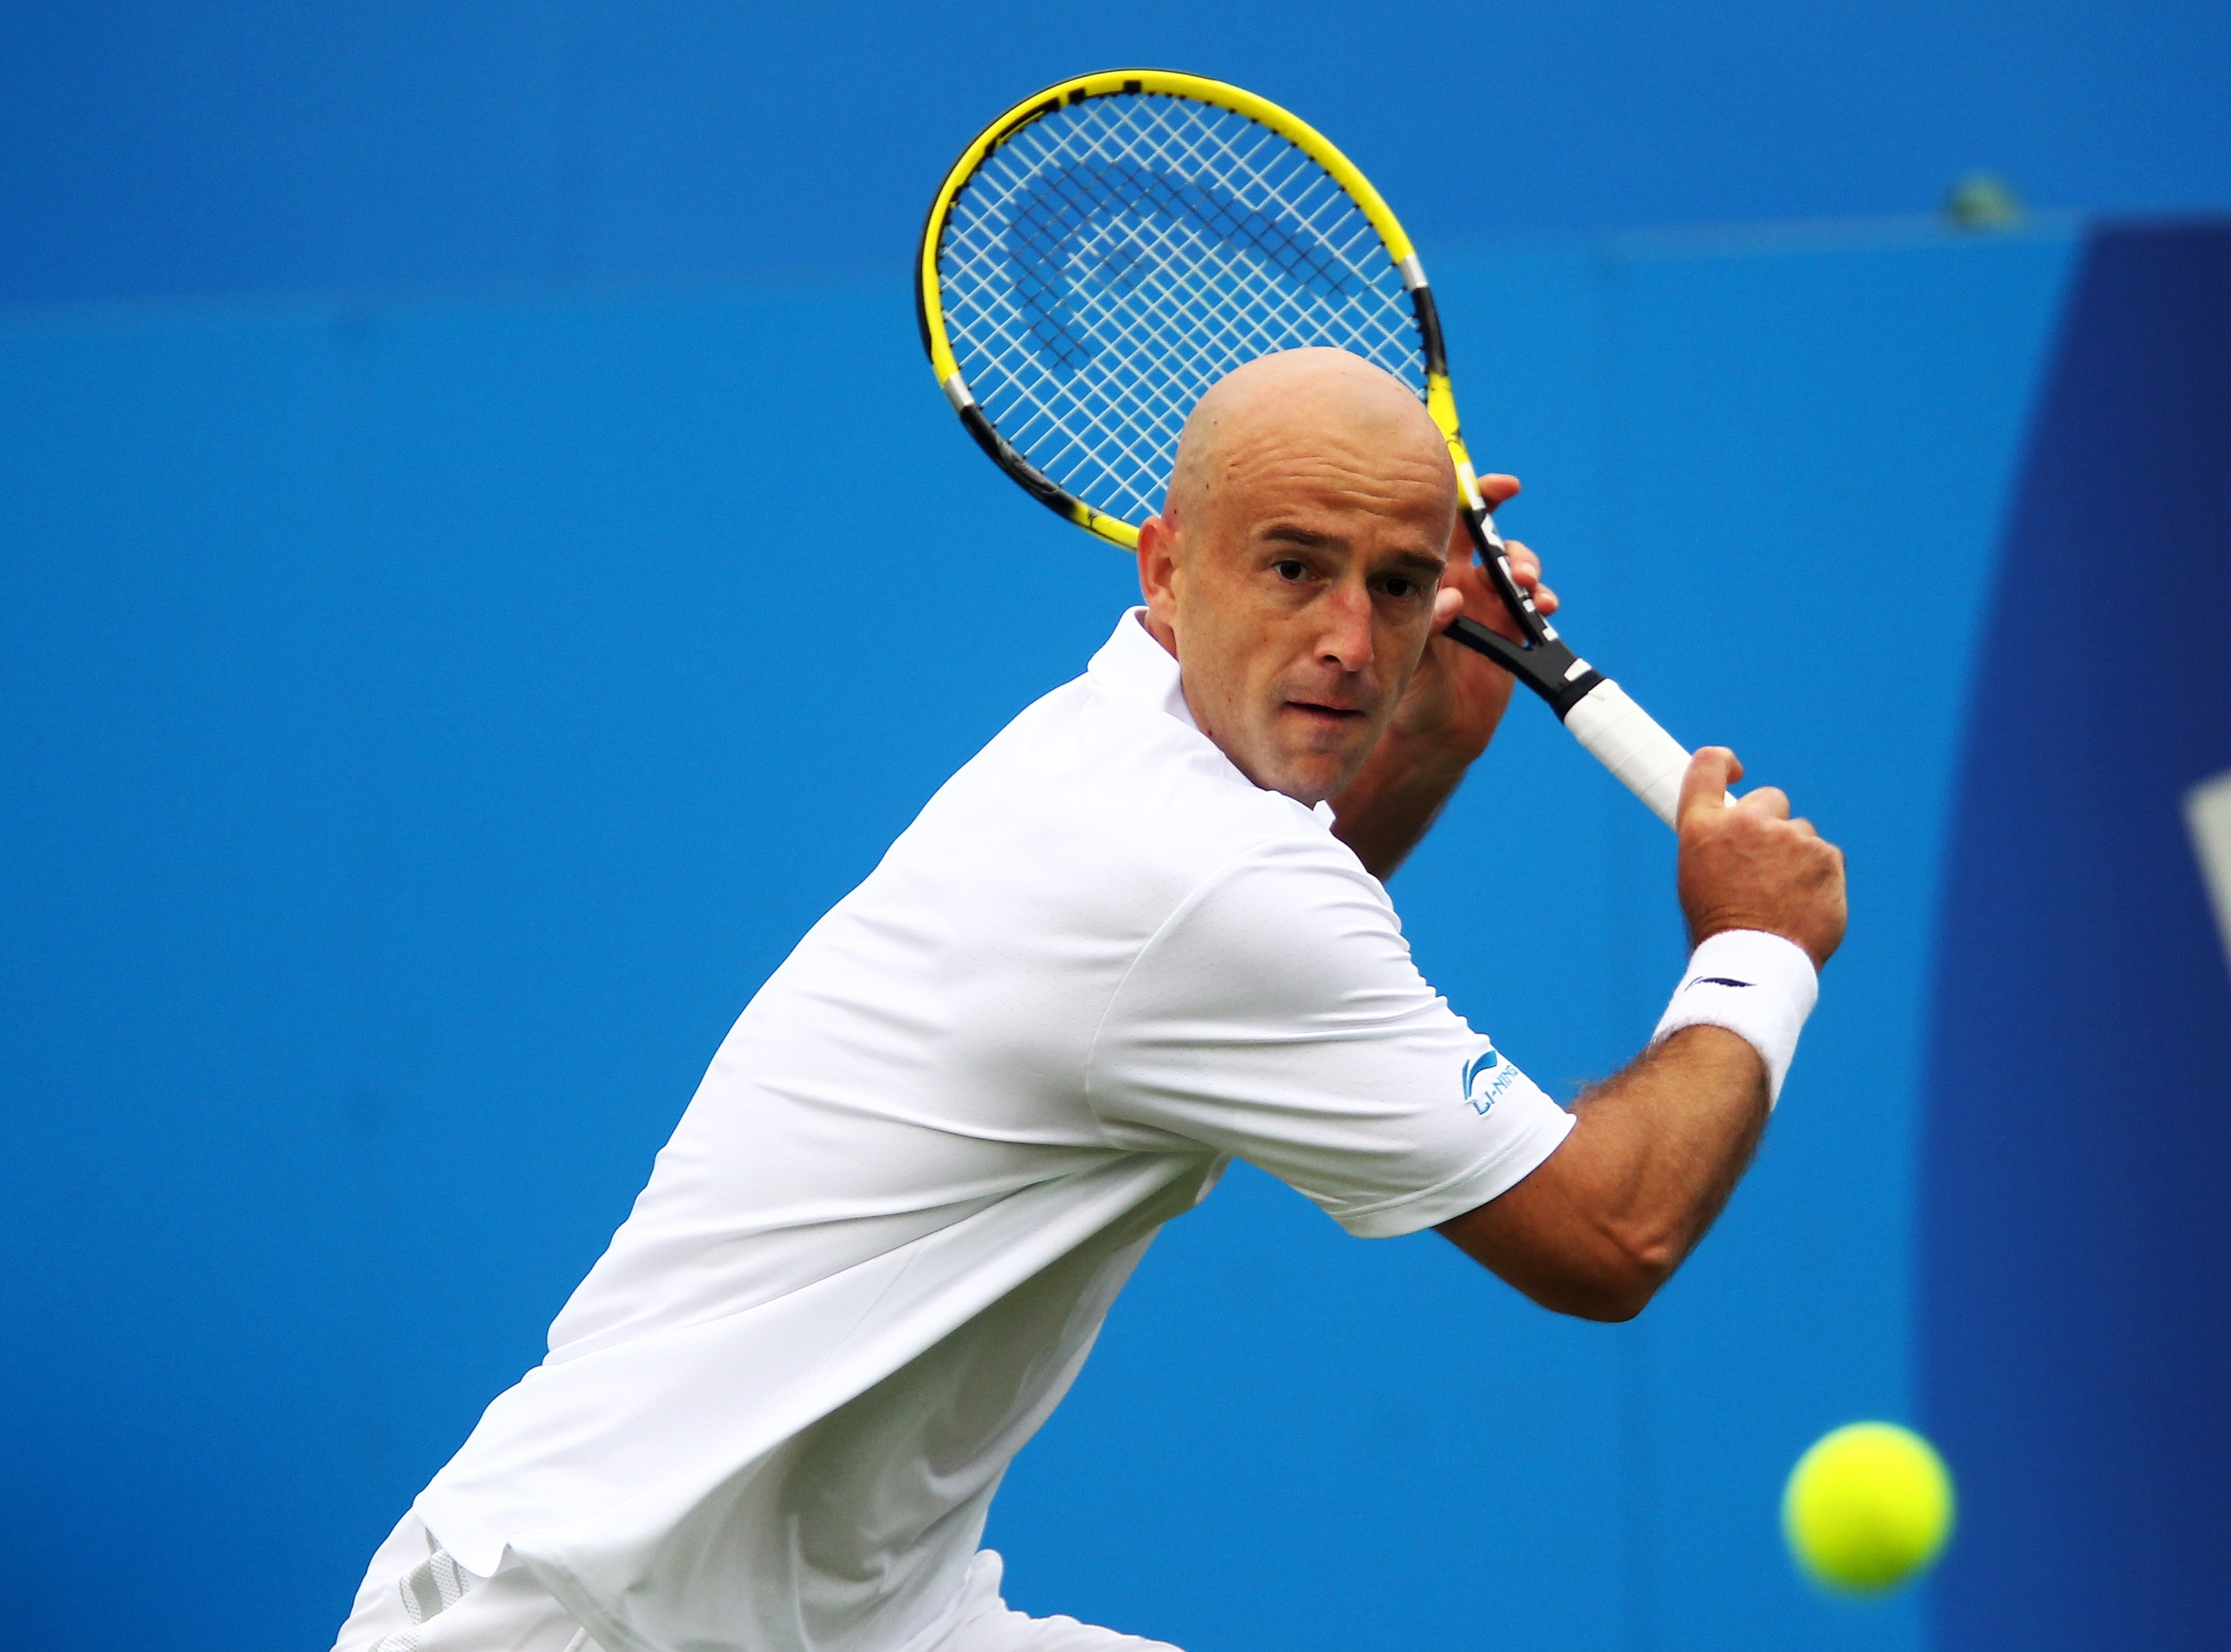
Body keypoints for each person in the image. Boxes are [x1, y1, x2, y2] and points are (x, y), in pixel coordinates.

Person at [332, 347, 1847, 1652]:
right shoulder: (1191, 872)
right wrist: (1756, 951)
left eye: (1397, 586)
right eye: (1295, 565)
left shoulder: (1128, 748)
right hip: (592, 1621)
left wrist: (1433, 743)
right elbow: (1609, 1231)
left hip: (841, 1616)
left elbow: (1274, 965)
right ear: (1165, 565)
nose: (1351, 637)